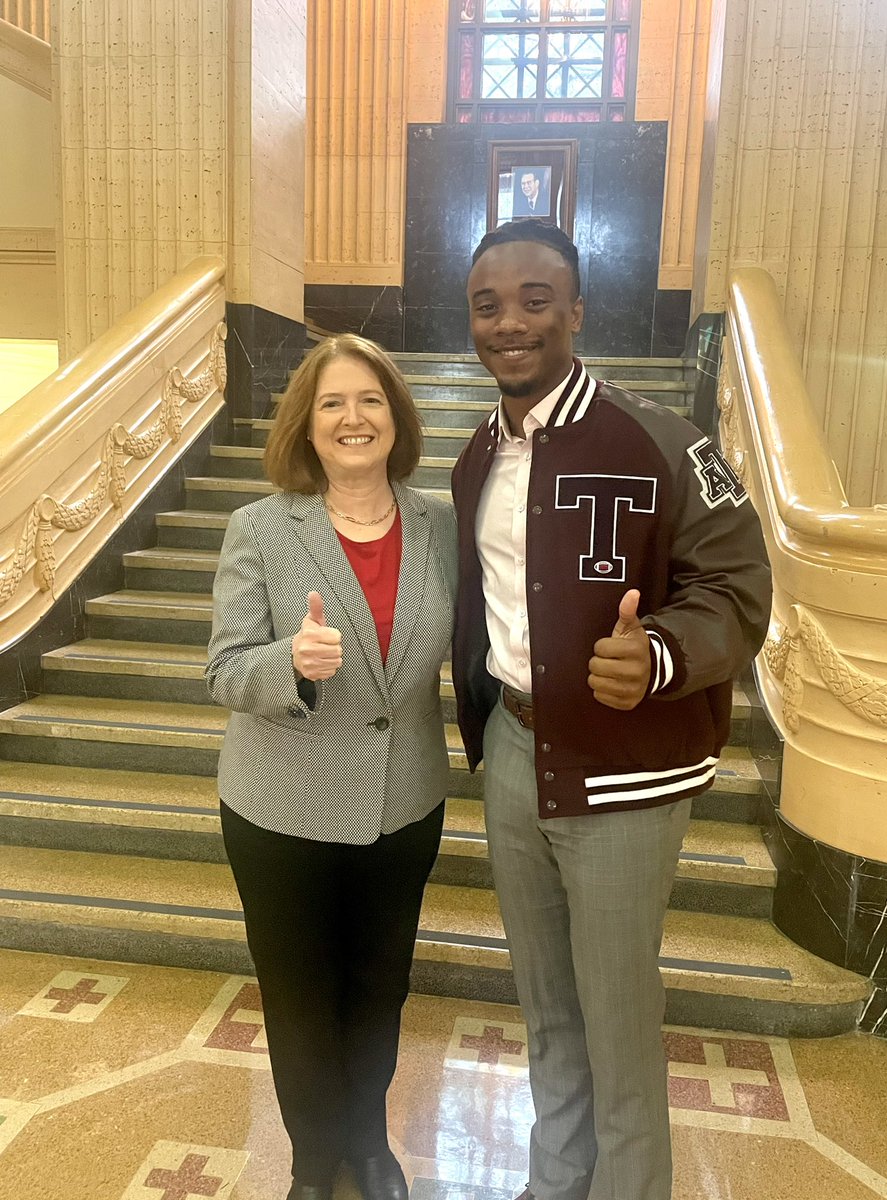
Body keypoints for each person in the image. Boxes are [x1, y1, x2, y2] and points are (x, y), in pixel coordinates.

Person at [451, 222, 771, 1200]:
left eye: (534, 300)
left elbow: (738, 590)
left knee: (617, 1020)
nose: (509, 324)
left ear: (576, 312)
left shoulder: (661, 439)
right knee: (546, 1011)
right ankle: (555, 1184)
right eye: (487, 304)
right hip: (512, 751)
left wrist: (663, 654)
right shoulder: (475, 457)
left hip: (625, 773)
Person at [206, 334, 457, 1200]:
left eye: (371, 400)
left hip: (404, 803)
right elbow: (223, 670)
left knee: (380, 988)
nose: (354, 418)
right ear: (306, 428)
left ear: (396, 416)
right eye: (332, 404)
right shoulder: (261, 528)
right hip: (282, 813)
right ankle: (315, 1160)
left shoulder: (441, 525)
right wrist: (289, 663)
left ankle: (370, 1142)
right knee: (301, 1000)